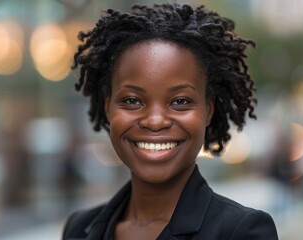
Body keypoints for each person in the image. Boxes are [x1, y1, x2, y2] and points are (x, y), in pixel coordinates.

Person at [63, 3, 278, 240]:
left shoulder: (241, 231)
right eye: (133, 100)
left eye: (180, 102)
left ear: (208, 110)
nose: (155, 121)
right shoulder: (79, 228)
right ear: (108, 106)